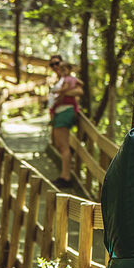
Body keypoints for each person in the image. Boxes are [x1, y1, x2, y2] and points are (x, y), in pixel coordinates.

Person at [48, 55, 84, 189]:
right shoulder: (59, 80)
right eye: (52, 65)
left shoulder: (68, 79)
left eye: (57, 63)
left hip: (64, 112)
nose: (55, 66)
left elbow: (79, 90)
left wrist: (61, 93)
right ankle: (64, 175)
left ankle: (66, 178)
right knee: (60, 145)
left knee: (63, 146)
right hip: (58, 112)